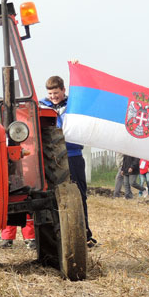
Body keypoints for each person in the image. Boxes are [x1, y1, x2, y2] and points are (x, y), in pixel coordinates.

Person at [40, 76, 95, 247]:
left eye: (56, 93)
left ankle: (84, 233)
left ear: (64, 90)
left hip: (73, 155)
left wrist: (78, 72)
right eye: (50, 93)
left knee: (79, 195)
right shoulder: (42, 105)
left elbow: (87, 96)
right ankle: (57, 235)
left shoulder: (74, 105)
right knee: (51, 197)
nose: (53, 97)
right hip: (51, 159)